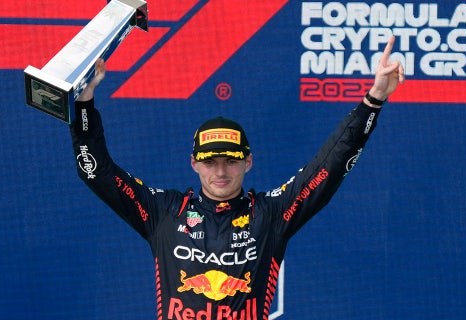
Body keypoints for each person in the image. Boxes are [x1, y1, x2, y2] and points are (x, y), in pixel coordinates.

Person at [70, 36, 404, 319]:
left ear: (248, 163)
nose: (220, 171)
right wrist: (84, 102)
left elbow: (328, 166)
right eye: (210, 161)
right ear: (193, 164)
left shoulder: (270, 215)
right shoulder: (165, 212)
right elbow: (96, 170)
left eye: (230, 161)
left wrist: (373, 100)